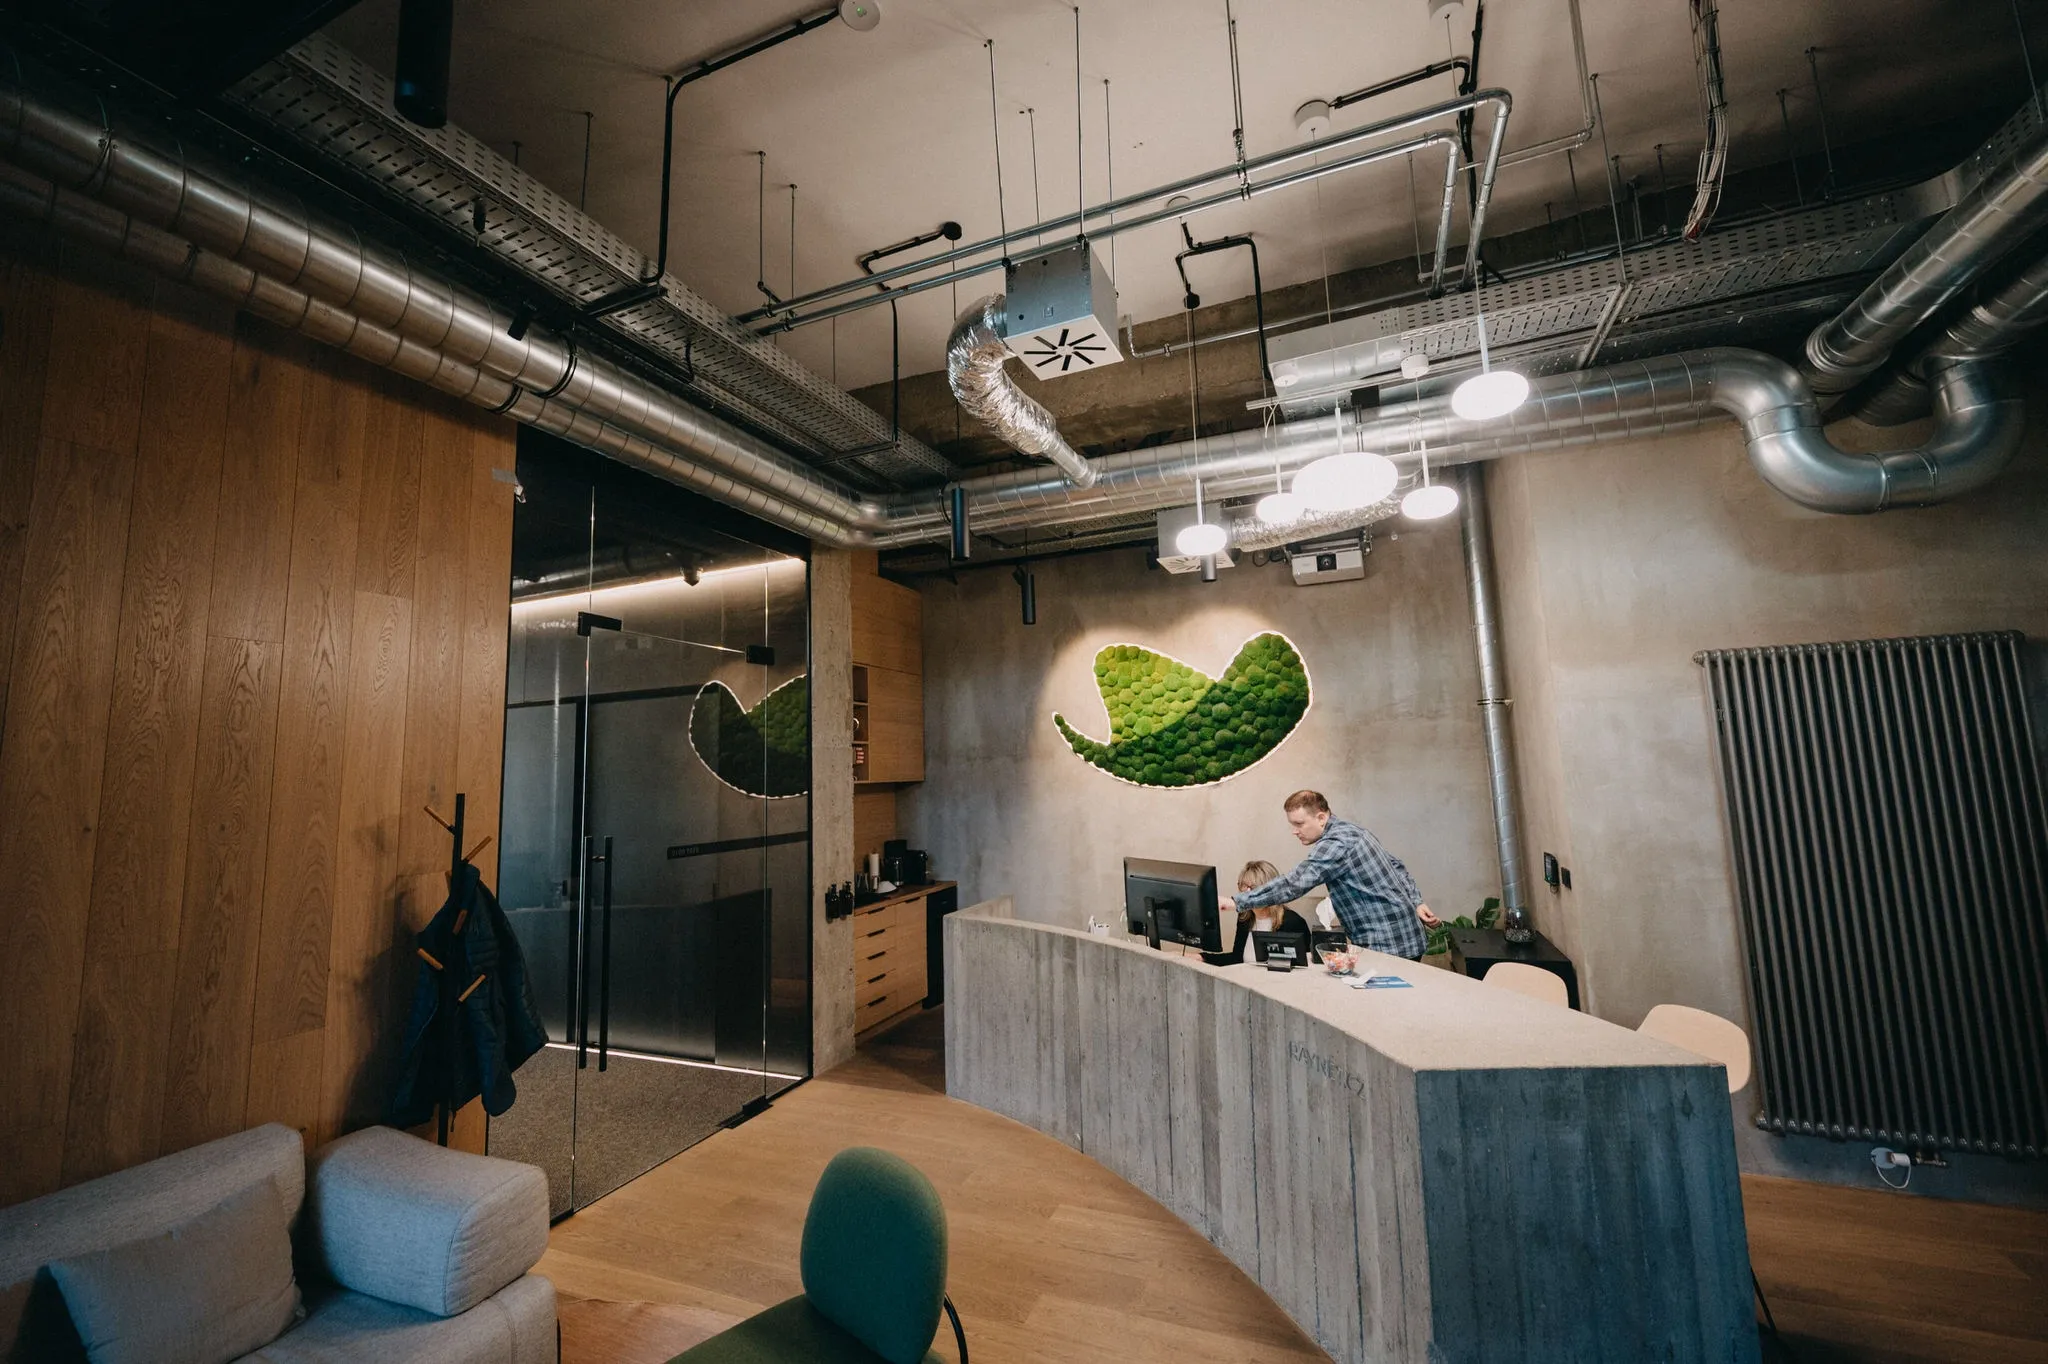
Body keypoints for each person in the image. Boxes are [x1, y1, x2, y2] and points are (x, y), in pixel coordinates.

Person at [1220, 790, 1441, 961]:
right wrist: (1416, 901)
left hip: (1389, 944)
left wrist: (1237, 902)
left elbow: (1294, 883)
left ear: (1321, 817)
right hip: (1402, 938)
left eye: (1299, 824)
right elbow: (1396, 866)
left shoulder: (1336, 844)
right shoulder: (1352, 831)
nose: (1294, 831)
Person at [1227, 860, 1311, 964]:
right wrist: (1206, 958)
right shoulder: (1244, 918)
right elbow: (1236, 958)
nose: (1248, 893)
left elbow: (1303, 965)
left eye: (1254, 887)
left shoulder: (1293, 922)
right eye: (1244, 885)